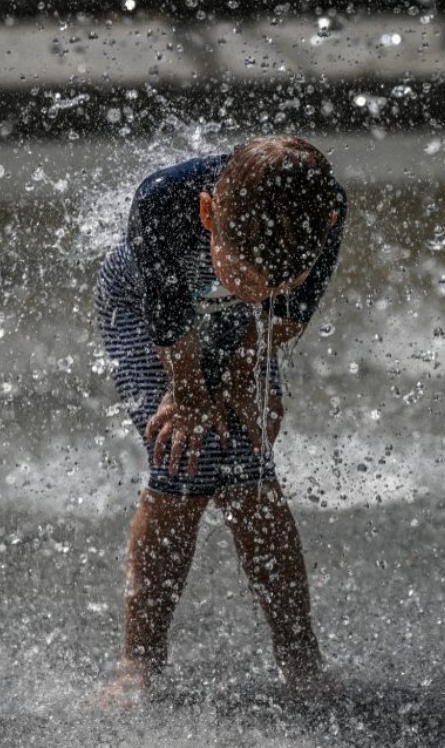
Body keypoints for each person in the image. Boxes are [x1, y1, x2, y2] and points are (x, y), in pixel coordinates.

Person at [95, 135, 347, 707]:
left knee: (248, 470)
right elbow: (168, 318)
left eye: (274, 282)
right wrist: (187, 395)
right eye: (244, 273)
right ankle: (139, 662)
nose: (256, 288)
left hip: (243, 326)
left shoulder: (322, 208)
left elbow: (283, 315)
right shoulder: (164, 200)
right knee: (183, 462)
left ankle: (300, 656)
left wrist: (245, 373)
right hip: (145, 309)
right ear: (208, 213)